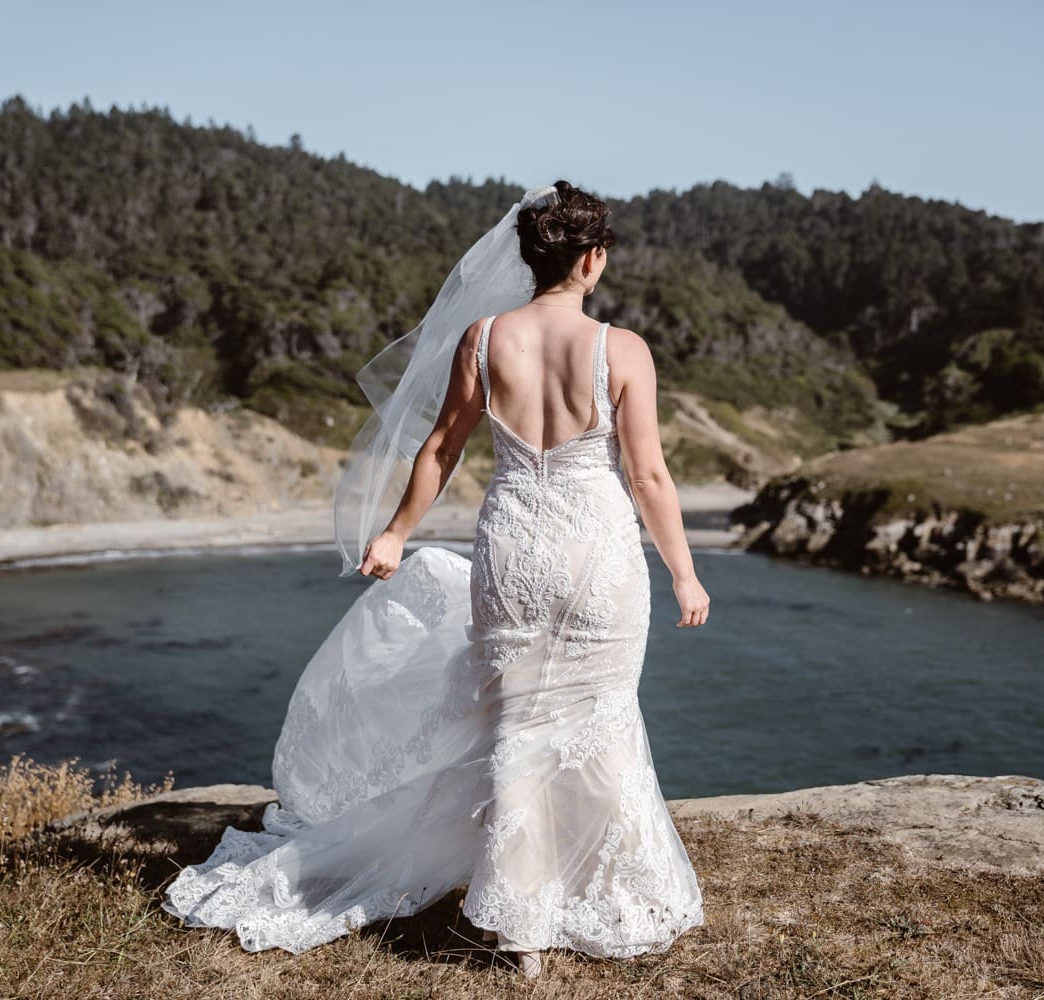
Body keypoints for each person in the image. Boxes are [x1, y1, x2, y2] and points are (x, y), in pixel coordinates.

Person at [162, 181, 707, 980]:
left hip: (515, 549)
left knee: (517, 728)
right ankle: (606, 891)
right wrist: (685, 575)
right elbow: (650, 476)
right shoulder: (621, 349)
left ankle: (521, 930)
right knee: (603, 714)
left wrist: (395, 532)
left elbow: (441, 449)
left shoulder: (485, 340)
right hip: (596, 553)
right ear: (593, 261)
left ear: (530, 259)